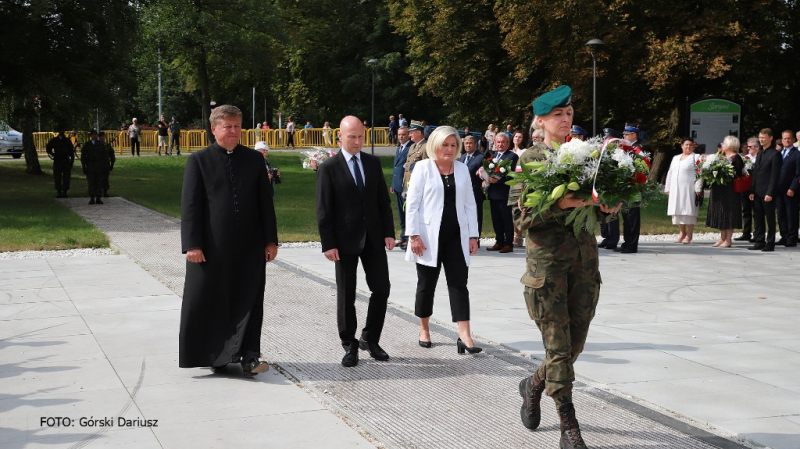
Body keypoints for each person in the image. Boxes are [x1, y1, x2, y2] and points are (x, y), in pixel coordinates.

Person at [514, 85, 620, 449]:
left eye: (569, 113)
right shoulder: (530, 158)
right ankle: (568, 425)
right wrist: (559, 205)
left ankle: (532, 384)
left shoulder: (587, 157)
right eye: (558, 114)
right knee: (559, 350)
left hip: (585, 267)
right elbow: (520, 218)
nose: (566, 119)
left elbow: (593, 216)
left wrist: (606, 210)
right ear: (540, 121)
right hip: (548, 272)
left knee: (572, 348)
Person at [180, 104, 278, 376]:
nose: (234, 131)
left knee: (249, 299)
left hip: (250, 246)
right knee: (212, 300)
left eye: (237, 126)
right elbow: (190, 206)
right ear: (214, 129)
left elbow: (264, 204)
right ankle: (217, 355)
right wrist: (192, 244)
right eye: (228, 126)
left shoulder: (254, 160)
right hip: (212, 248)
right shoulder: (198, 161)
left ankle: (249, 356)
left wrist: (271, 241)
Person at [316, 116, 395, 368]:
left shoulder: (372, 163)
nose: (358, 141)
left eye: (361, 136)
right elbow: (324, 209)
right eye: (352, 136)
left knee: (381, 288)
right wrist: (328, 243)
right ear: (340, 136)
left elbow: (383, 201)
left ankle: (370, 339)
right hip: (344, 241)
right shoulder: (329, 167)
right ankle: (349, 345)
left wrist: (389, 232)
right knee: (346, 294)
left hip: (373, 238)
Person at [405, 126, 481, 352]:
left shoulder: (462, 169)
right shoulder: (422, 168)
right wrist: (414, 235)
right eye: (444, 145)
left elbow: (469, 204)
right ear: (435, 145)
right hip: (428, 237)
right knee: (426, 285)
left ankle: (465, 335)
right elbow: (413, 204)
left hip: (457, 236)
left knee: (459, 284)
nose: (449, 149)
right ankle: (424, 328)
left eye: (453, 145)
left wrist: (474, 235)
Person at [706, 136, 744, 247]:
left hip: (730, 191)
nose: (722, 145)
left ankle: (728, 239)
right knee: (720, 213)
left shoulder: (736, 158)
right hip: (719, 190)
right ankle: (722, 238)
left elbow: (737, 174)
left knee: (728, 213)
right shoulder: (721, 156)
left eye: (724, 143)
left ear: (730, 145)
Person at [665, 138, 704, 244]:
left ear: (694, 146)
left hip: (689, 188)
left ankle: (689, 234)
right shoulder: (676, 158)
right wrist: (668, 187)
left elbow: (699, 174)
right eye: (686, 145)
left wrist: (698, 188)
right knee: (678, 210)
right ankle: (682, 233)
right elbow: (670, 172)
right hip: (676, 189)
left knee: (689, 211)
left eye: (691, 145)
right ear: (682, 146)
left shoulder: (696, 157)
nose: (688, 147)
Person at [749, 128, 782, 251]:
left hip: (768, 192)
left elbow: (775, 176)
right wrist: (752, 190)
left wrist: (770, 192)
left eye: (764, 137)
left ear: (770, 138)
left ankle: (770, 242)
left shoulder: (775, 154)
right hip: (757, 191)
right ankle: (759, 241)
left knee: (770, 218)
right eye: (760, 137)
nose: (761, 140)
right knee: (758, 218)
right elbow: (756, 174)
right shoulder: (760, 153)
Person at [486, 132, 518, 253]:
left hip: (504, 193)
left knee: (506, 219)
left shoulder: (512, 157)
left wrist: (498, 180)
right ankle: (499, 241)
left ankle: (508, 243)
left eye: (503, 142)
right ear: (495, 143)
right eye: (498, 142)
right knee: (496, 219)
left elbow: (512, 175)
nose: (500, 144)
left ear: (508, 143)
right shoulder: (493, 156)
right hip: (493, 193)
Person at [615, 124, 644, 253]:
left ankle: (632, 244)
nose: (624, 136)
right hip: (626, 186)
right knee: (626, 216)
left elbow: (642, 166)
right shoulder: (627, 148)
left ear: (634, 135)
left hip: (634, 186)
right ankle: (627, 242)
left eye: (626, 134)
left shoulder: (638, 149)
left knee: (632, 217)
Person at [598, 129, 622, 250]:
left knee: (612, 213)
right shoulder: (601, 152)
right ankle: (606, 237)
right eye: (606, 140)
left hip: (613, 188)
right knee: (602, 212)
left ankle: (613, 239)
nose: (607, 143)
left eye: (610, 141)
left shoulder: (619, 154)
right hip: (602, 187)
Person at [776, 130, 800, 247]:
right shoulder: (779, 153)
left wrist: (793, 188)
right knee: (781, 213)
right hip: (779, 190)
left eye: (789, 138)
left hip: (790, 190)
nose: (787, 140)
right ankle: (784, 236)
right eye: (784, 138)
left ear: (794, 140)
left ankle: (792, 237)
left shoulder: (797, 154)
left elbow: (798, 174)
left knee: (791, 214)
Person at [459, 135, 485, 239]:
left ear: (475, 145)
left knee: (475, 216)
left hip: (475, 192)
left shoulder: (481, 157)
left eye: (470, 143)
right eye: (466, 143)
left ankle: (475, 239)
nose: (468, 145)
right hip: (462, 192)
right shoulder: (462, 157)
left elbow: (484, 175)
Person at [735, 137, 761, 242]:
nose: (747, 148)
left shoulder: (760, 157)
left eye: (750, 147)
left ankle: (757, 233)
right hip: (746, 187)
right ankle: (746, 232)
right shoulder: (746, 157)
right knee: (745, 211)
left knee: (757, 212)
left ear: (756, 147)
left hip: (757, 187)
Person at [391, 126, 412, 250]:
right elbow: (396, 168)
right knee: (400, 213)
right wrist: (394, 184)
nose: (400, 137)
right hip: (398, 185)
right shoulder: (399, 148)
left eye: (403, 134)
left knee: (407, 212)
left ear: (408, 135)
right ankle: (403, 236)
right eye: (399, 135)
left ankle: (409, 237)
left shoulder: (410, 148)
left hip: (405, 187)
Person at [45, 127, 76, 198]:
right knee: (57, 177)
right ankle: (59, 192)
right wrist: (52, 154)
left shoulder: (67, 141)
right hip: (58, 160)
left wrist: (72, 160)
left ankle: (65, 192)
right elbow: (48, 147)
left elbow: (71, 151)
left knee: (66, 177)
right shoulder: (55, 140)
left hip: (65, 160)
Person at [81, 130, 106, 205]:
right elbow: (83, 156)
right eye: (93, 135)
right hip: (90, 166)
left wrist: (104, 165)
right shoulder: (87, 145)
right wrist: (84, 166)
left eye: (95, 135)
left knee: (99, 182)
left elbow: (104, 156)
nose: (94, 136)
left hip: (99, 166)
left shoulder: (100, 144)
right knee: (91, 182)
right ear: (91, 136)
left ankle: (98, 197)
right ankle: (92, 197)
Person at [402, 120, 428, 194]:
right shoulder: (413, 146)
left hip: (418, 186)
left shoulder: (426, 147)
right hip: (408, 183)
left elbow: (426, 170)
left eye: (411, 132)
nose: (409, 135)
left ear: (419, 133)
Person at [98, 131, 115, 197]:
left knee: (105, 179)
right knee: (98, 179)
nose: (102, 138)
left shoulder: (107, 146)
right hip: (98, 165)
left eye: (103, 136)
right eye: (101, 137)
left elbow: (112, 156)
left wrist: (112, 164)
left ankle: (105, 191)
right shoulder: (96, 145)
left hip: (105, 165)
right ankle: (98, 192)